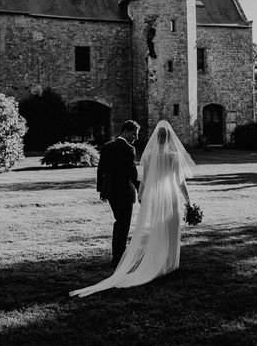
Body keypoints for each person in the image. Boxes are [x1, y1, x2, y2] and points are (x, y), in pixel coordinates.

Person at [70, 119, 195, 297]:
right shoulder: (169, 155)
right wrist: (188, 201)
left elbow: (108, 171)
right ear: (169, 139)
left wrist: (140, 193)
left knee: (146, 226)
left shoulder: (139, 154)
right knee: (165, 226)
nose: (136, 138)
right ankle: (167, 262)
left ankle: (127, 257)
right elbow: (177, 181)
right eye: (134, 134)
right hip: (164, 195)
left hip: (123, 193)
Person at [96, 120, 141, 269]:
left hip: (110, 192)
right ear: (126, 131)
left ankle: (117, 257)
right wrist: (140, 189)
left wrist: (101, 189)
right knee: (123, 224)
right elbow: (132, 172)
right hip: (124, 192)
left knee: (119, 222)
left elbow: (100, 170)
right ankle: (118, 259)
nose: (136, 138)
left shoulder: (107, 147)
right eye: (134, 134)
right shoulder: (129, 149)